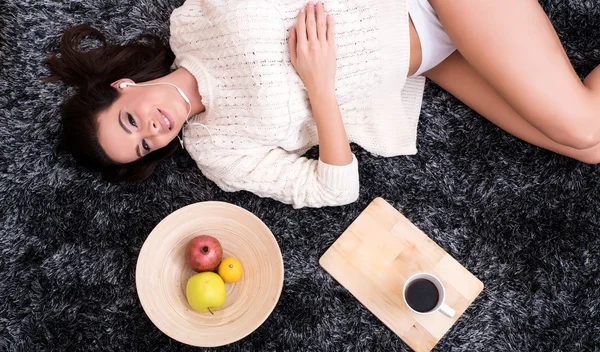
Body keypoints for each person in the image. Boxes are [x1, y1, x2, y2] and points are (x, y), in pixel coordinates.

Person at [45, 0, 600, 209]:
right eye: (143, 144)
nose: (154, 129)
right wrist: (319, 86)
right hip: (431, 55)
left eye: (131, 120)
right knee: (593, 149)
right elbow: (336, 188)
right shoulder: (218, 153)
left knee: (582, 124)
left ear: (122, 86)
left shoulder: (192, 20)